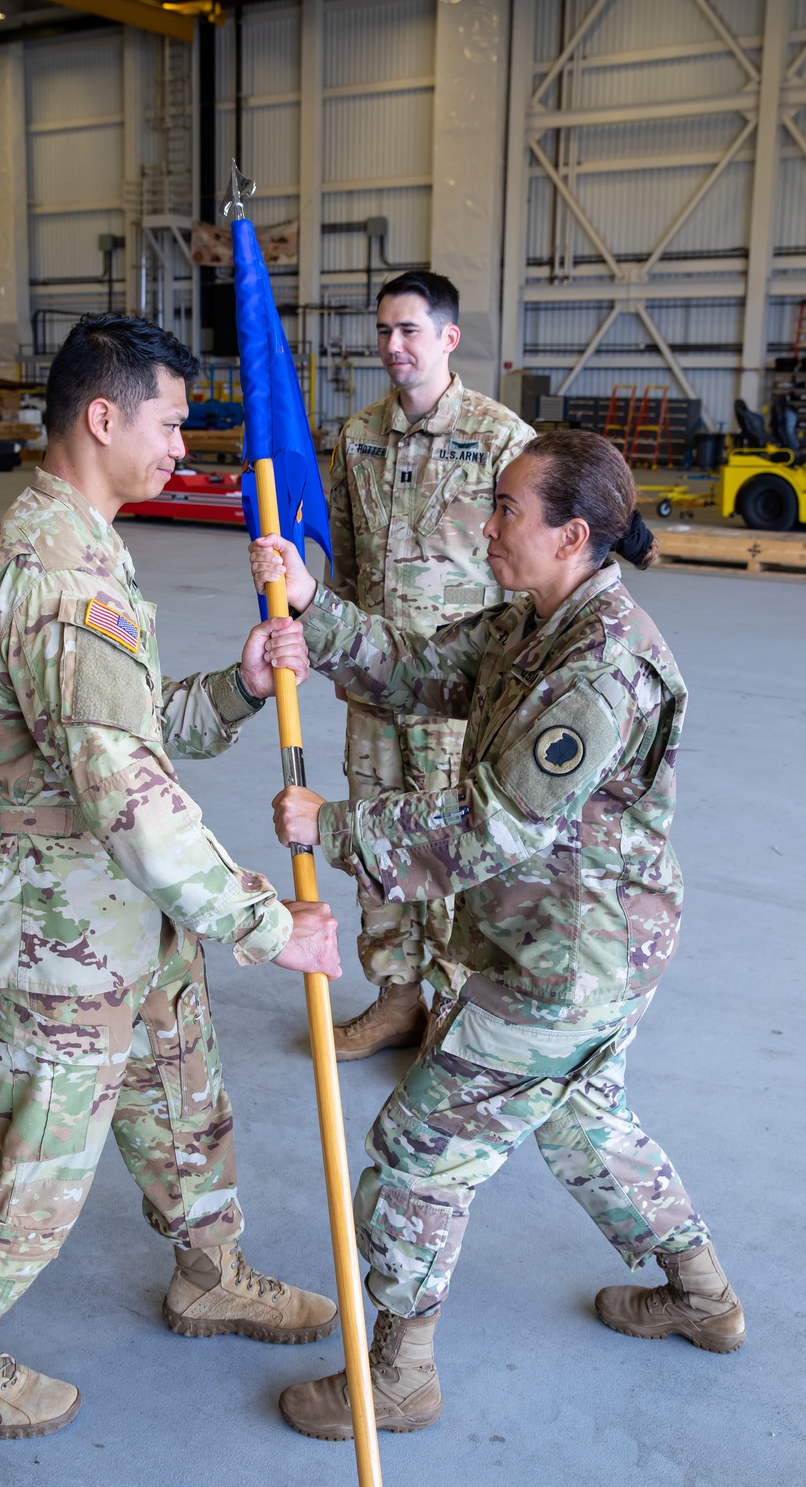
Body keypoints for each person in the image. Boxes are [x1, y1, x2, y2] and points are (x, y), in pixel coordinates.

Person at [0, 315, 341, 1440]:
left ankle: (208, 1271)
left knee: (181, 1100)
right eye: (171, 423)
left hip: (121, 919)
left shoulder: (85, 547)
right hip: (56, 935)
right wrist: (265, 922)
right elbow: (125, 799)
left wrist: (237, 688)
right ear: (103, 417)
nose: (183, 448)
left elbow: (132, 733)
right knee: (39, 1158)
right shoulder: (51, 577)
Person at [250, 430, 744, 1443]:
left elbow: (494, 829)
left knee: (417, 1150)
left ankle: (398, 1374)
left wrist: (332, 827)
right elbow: (426, 668)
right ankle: (701, 1293)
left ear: (569, 534)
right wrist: (310, 603)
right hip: (592, 941)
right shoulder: (537, 622)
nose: (487, 526)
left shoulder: (597, 671)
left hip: (566, 960)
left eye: (506, 510)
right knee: (580, 1124)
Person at [325, 270, 534, 1061]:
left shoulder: (501, 439)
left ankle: (450, 1013)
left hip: (460, 694)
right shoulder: (358, 437)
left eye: (409, 330)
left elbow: (525, 570)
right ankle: (395, 999)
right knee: (378, 842)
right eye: (383, 331)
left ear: (448, 337)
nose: (393, 346)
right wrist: (339, 647)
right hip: (377, 687)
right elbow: (344, 562)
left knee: (452, 853)